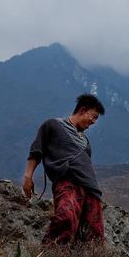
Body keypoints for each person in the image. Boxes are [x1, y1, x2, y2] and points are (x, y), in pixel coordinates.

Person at [23, 93, 105, 245]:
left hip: (91, 189)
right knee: (65, 217)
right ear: (82, 110)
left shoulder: (86, 142)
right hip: (66, 181)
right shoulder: (53, 125)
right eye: (93, 117)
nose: (93, 122)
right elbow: (36, 151)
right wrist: (28, 177)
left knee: (95, 233)